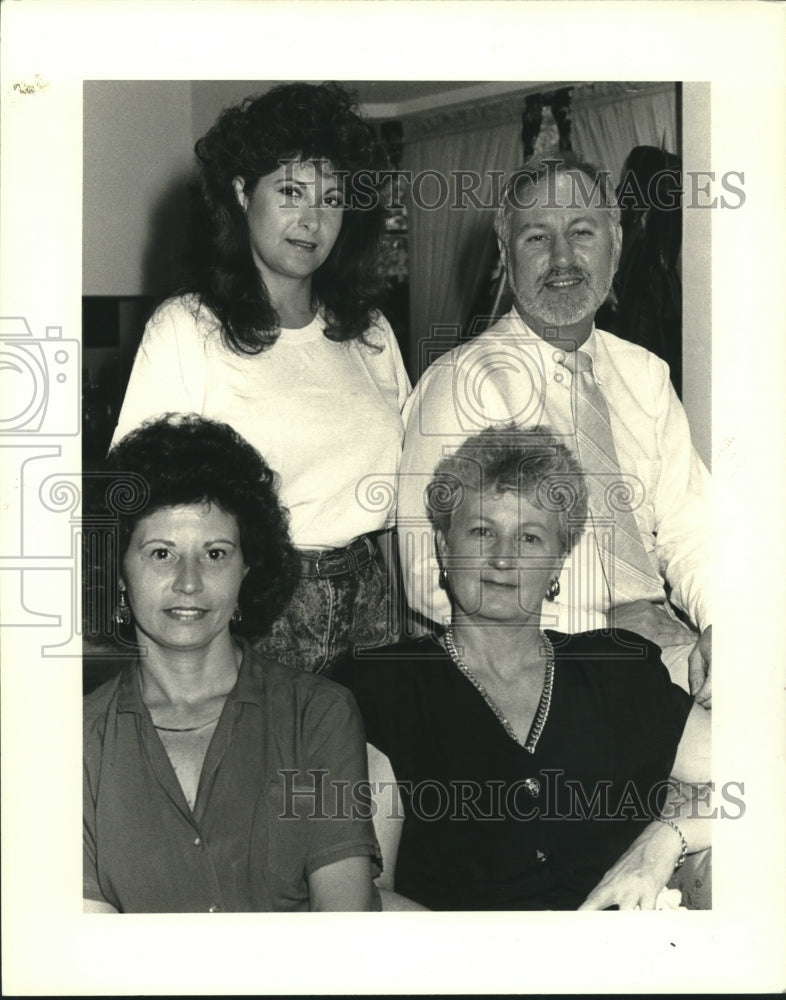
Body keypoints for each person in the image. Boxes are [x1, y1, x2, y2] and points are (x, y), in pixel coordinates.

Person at [335, 425, 710, 911]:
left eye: (530, 537)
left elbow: (767, 774)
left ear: (558, 564)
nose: (503, 559)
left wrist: (661, 843)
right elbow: (363, 898)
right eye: (482, 531)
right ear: (444, 550)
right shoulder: (381, 689)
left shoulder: (618, 672)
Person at [111, 82, 411, 674]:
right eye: (292, 191)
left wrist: (409, 624)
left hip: (373, 616)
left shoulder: (370, 331)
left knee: (369, 768)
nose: (312, 219)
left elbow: (399, 507)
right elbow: (139, 501)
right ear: (243, 192)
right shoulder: (185, 328)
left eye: (331, 197)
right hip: (249, 613)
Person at [397, 151, 712, 704]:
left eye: (582, 231)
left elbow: (696, 531)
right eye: (538, 237)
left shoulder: (646, 375)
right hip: (537, 664)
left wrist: (723, 627)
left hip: (665, 646)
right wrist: (602, 628)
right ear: (506, 254)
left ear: (614, 242)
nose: (563, 257)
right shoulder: (460, 384)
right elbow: (430, 571)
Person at [83, 414, 379, 912]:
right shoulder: (78, 740)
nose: (189, 582)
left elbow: (346, 934)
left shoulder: (317, 716)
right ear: (117, 570)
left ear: (248, 567)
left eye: (215, 553)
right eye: (161, 553)